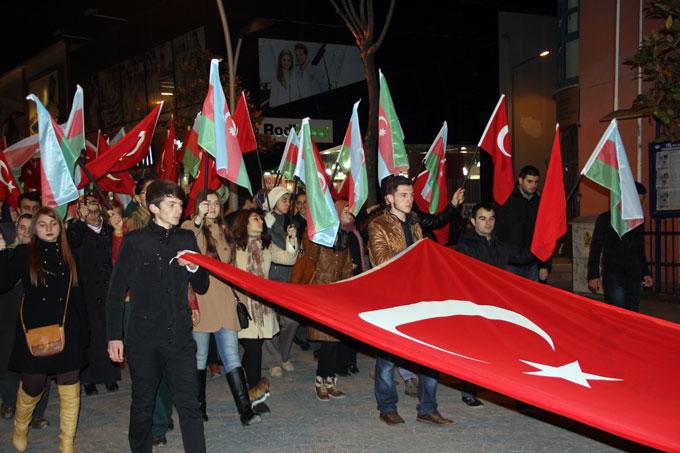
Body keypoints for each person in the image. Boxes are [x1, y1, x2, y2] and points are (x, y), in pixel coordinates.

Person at [106, 180, 209, 453]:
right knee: (143, 405)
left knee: (190, 405)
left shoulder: (186, 239)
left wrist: (192, 268)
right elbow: (115, 292)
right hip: (144, 339)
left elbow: (202, 286)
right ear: (153, 208)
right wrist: (114, 336)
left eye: (179, 204)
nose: (178, 210)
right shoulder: (134, 242)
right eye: (171, 205)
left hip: (180, 339)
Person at [0, 207, 89, 453]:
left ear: (60, 227)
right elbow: (2, 283)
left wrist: (85, 334)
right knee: (33, 385)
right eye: (42, 224)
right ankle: (20, 424)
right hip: (35, 330)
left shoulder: (69, 254)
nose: (49, 228)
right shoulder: (23, 253)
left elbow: (79, 295)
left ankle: (67, 443)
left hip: (68, 327)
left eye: (53, 223)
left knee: (70, 385)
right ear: (34, 230)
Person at [367, 175, 453, 426]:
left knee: (428, 355)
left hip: (418, 296)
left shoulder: (415, 223)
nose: (409, 200)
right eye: (404, 195)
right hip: (390, 298)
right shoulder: (378, 225)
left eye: (411, 195)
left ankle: (428, 408)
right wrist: (417, 253)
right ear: (389, 198)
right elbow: (381, 260)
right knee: (387, 357)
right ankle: (387, 406)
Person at [182, 190, 260, 426]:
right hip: (202, 300)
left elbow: (234, 268)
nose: (214, 207)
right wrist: (198, 218)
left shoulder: (225, 231)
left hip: (225, 300)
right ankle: (199, 408)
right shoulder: (190, 227)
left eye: (217, 203)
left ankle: (245, 411)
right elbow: (185, 241)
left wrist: (242, 299)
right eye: (208, 203)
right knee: (200, 357)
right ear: (200, 205)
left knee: (232, 355)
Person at [455, 202, 536, 407]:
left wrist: (544, 244)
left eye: (491, 218)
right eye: (482, 218)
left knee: (507, 349)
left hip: (498, 306)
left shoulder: (501, 245)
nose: (488, 223)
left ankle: (518, 395)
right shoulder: (464, 247)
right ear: (473, 221)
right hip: (474, 306)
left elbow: (522, 257)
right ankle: (468, 390)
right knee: (475, 350)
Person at [294, 199, 353, 401]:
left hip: (337, 297)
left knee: (334, 342)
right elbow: (308, 259)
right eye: (345, 209)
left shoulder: (344, 238)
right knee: (327, 342)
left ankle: (330, 380)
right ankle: (321, 381)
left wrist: (347, 289)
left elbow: (346, 268)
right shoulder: (320, 236)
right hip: (320, 295)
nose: (349, 212)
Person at [68, 195, 123, 396]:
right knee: (90, 336)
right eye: (86, 209)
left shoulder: (109, 230)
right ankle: (88, 379)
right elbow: (72, 242)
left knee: (109, 333)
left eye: (94, 207)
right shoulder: (77, 231)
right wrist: (80, 221)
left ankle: (110, 376)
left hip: (108, 289)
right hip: (86, 291)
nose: (91, 213)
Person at [0, 214, 52, 428]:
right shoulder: (7, 254)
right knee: (5, 366)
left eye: (30, 228)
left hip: (37, 323)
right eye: (21, 227)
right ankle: (9, 403)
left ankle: (38, 413)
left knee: (41, 370)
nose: (25, 232)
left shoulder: (45, 257)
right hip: (8, 321)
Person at [233, 208, 279, 415]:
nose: (260, 221)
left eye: (261, 218)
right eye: (255, 218)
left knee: (254, 350)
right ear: (244, 223)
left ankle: (243, 387)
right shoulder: (235, 248)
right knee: (254, 350)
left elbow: (288, 258)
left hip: (262, 307)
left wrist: (292, 240)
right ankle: (255, 397)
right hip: (244, 305)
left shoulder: (266, 245)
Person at [587, 182, 653, 312]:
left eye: (642, 201)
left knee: (632, 311)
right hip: (613, 272)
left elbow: (639, 249)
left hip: (633, 272)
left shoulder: (638, 221)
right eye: (637, 200)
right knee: (618, 309)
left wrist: (646, 273)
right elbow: (596, 247)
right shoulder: (606, 219)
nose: (640, 205)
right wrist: (593, 275)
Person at [262, 187, 300, 378]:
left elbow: (294, 251)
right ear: (274, 200)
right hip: (270, 275)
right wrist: (266, 224)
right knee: (269, 321)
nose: (287, 203)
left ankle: (283, 355)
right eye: (283, 199)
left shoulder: (291, 222)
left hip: (288, 277)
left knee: (291, 321)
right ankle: (272, 361)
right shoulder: (264, 221)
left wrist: (292, 238)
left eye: (288, 200)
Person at [494, 165, 550, 282]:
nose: (533, 185)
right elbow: (497, 233)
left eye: (536, 182)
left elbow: (545, 235)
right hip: (510, 263)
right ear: (520, 180)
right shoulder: (507, 201)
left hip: (532, 263)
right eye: (529, 181)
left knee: (532, 298)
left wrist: (544, 265)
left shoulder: (540, 203)